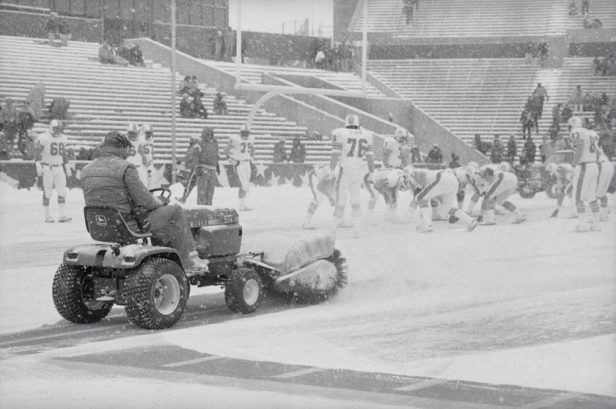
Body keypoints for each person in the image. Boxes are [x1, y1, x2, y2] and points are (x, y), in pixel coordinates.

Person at [81, 132, 209, 275]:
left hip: (100, 224)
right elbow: (145, 201)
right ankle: (188, 260)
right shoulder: (125, 167)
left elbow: (108, 196)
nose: (128, 154)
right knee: (176, 210)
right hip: (126, 224)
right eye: (126, 150)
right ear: (122, 148)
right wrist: (160, 201)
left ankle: (162, 254)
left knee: (152, 215)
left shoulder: (87, 169)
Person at [330, 114, 374, 236]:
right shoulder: (366, 134)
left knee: (341, 199)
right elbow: (370, 157)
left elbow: (335, 154)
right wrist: (371, 172)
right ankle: (357, 229)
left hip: (345, 170)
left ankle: (333, 228)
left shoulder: (339, 133)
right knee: (355, 199)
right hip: (358, 170)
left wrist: (331, 169)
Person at [405, 167, 478, 232]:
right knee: (447, 209)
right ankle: (470, 221)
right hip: (452, 182)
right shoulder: (420, 177)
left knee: (421, 198)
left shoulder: (417, 173)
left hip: (442, 178)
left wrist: (408, 216)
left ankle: (427, 225)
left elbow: (420, 198)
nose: (410, 186)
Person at [34, 120, 72, 223]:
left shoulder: (63, 138)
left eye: (60, 129)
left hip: (59, 167)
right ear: (51, 128)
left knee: (62, 191)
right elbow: (37, 153)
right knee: (48, 192)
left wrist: (67, 166)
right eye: (56, 129)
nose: (58, 131)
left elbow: (63, 153)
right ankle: (47, 216)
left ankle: (62, 215)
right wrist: (38, 164)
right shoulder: (44, 137)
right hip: (48, 167)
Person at [568, 116, 601, 232]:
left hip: (584, 166)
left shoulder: (576, 132)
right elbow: (597, 151)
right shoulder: (591, 133)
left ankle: (582, 225)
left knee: (578, 197)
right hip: (593, 165)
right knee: (592, 196)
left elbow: (580, 147)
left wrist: (573, 164)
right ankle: (596, 224)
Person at [225, 124, 255, 211]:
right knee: (244, 184)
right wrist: (230, 159)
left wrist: (251, 157)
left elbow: (252, 149)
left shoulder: (251, 139)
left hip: (247, 162)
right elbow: (226, 150)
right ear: (240, 132)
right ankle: (241, 205)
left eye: (246, 133)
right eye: (243, 133)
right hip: (239, 163)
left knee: (246, 184)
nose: (245, 135)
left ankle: (243, 204)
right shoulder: (235, 139)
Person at [302, 163, 337, 229]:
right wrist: (330, 197)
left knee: (337, 196)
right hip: (314, 176)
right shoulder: (332, 173)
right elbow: (320, 187)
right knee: (318, 198)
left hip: (321, 175)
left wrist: (332, 196)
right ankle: (306, 222)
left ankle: (340, 219)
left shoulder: (338, 173)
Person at [196, 127, 220, 206]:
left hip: (212, 169)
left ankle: (209, 207)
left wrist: (217, 165)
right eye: (207, 134)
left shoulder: (214, 144)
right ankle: (200, 208)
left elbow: (216, 156)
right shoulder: (200, 143)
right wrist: (198, 166)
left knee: (210, 191)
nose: (209, 136)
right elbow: (196, 156)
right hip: (203, 168)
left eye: (210, 134)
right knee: (202, 191)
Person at [176, 135, 202, 204]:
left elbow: (188, 157)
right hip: (196, 168)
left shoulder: (195, 147)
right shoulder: (195, 147)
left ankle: (184, 198)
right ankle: (184, 198)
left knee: (190, 184)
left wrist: (180, 160)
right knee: (191, 184)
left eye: (191, 139)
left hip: (195, 168)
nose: (190, 141)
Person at [595, 141, 615, 222]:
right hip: (607, 165)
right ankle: (604, 214)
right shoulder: (595, 146)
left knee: (595, 193)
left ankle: (595, 215)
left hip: (602, 166)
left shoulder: (593, 147)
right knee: (601, 193)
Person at [140, 124, 155, 189]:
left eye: (150, 133)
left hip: (149, 163)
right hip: (142, 163)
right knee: (143, 181)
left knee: (150, 182)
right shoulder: (141, 140)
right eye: (147, 133)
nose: (149, 135)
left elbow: (151, 151)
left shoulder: (151, 139)